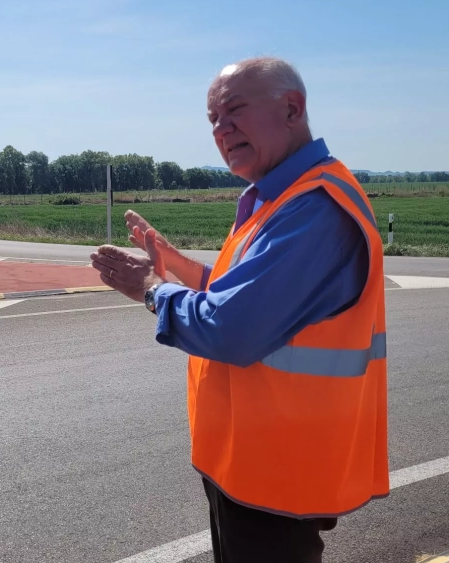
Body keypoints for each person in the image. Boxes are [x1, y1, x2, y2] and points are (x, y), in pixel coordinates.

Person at [91, 56, 389, 563]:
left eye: (234, 111)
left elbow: (231, 327)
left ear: (292, 108)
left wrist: (151, 289)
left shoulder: (313, 207)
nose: (221, 130)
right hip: (250, 466)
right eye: (213, 120)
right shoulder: (277, 199)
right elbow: (239, 294)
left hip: (279, 475)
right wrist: (175, 266)